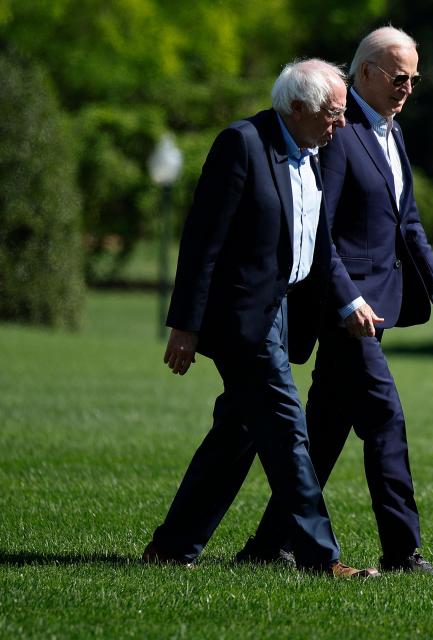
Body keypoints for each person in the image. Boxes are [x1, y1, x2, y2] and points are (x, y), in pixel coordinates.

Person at [141, 59, 378, 578]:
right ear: (295, 107)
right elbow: (203, 240)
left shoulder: (313, 151)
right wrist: (185, 324)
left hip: (283, 315)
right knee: (288, 429)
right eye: (332, 114)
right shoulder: (241, 144)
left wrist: (345, 303)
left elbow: (314, 246)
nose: (340, 125)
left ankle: (172, 546)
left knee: (238, 431)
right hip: (240, 320)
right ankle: (322, 558)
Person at [240, 27, 433, 574]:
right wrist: (346, 302)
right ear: (366, 72)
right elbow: (321, 233)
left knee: (324, 429)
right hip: (346, 313)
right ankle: (403, 551)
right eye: (399, 77)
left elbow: (407, 221)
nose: (408, 87)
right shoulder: (337, 131)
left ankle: (272, 542)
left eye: (414, 78)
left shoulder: (394, 132)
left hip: (376, 311)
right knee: (385, 417)